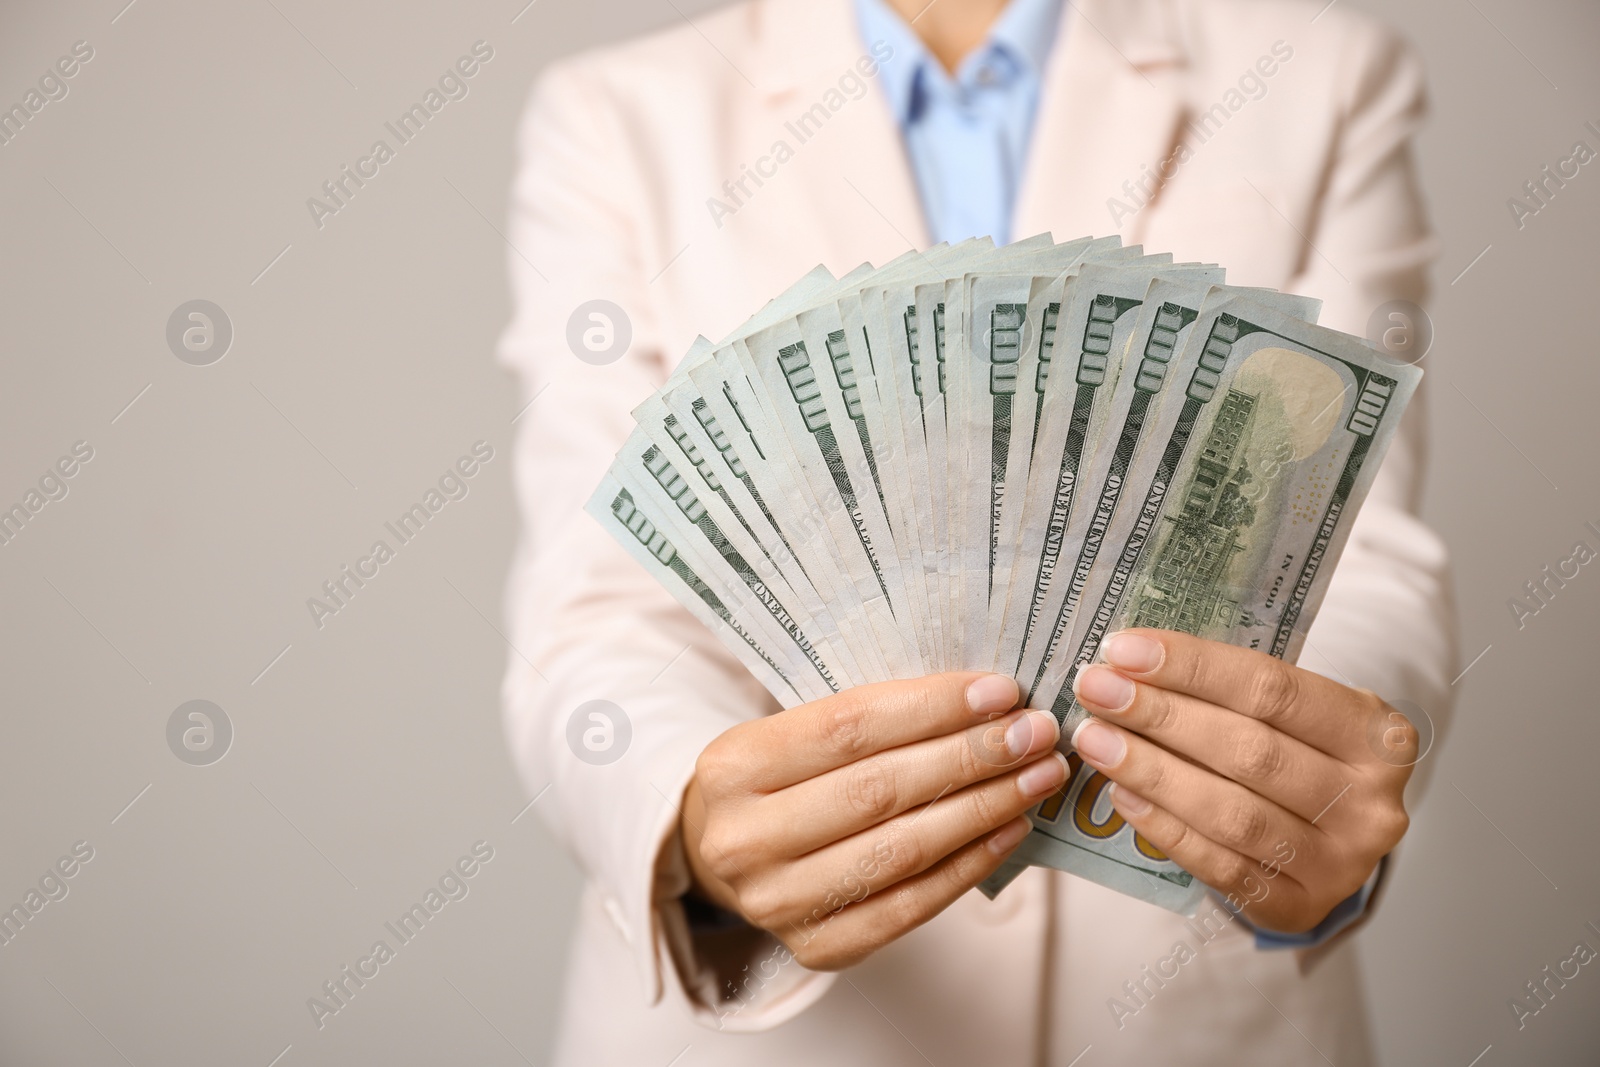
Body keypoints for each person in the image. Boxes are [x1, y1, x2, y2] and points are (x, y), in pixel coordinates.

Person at [496, 0, 1457, 1062]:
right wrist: (691, 823)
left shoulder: (1322, 74)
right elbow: (599, 602)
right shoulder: (618, 114)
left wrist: (1310, 776)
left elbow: (1359, 551)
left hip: (1184, 1017)